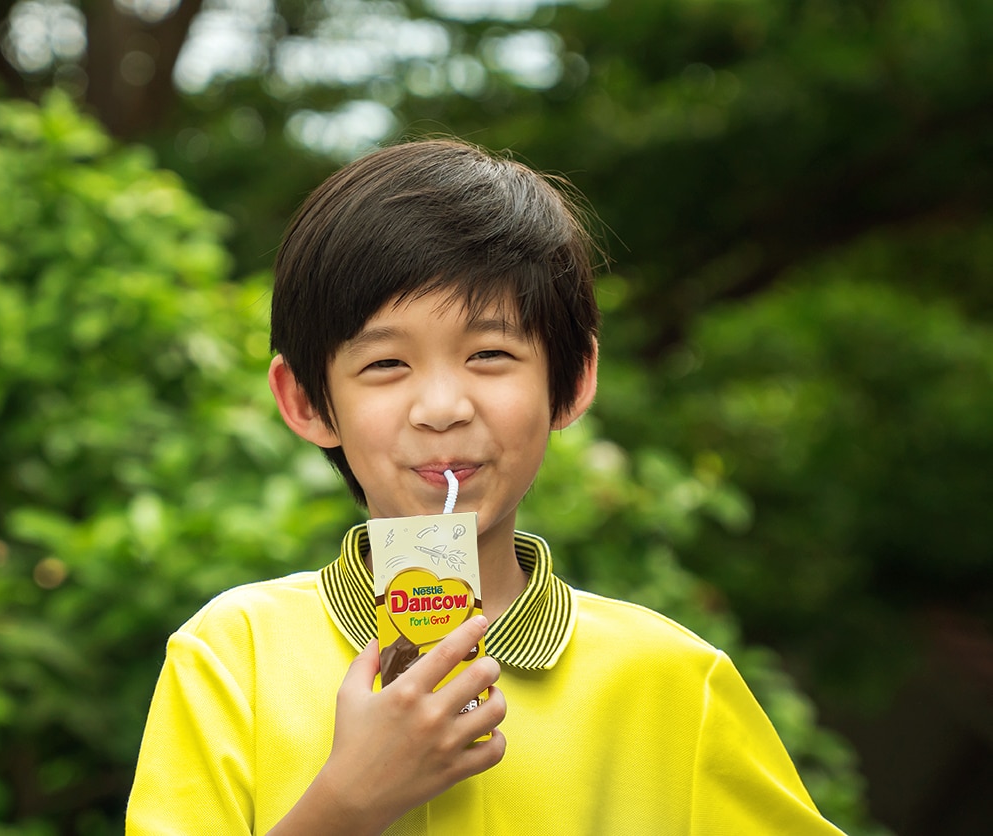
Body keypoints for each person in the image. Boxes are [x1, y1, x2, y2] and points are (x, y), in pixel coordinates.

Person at [126, 139, 845, 835]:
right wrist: (344, 808)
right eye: (385, 364)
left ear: (572, 381)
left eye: (490, 354)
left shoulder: (675, 683)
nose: (442, 406)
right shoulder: (234, 655)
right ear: (307, 402)